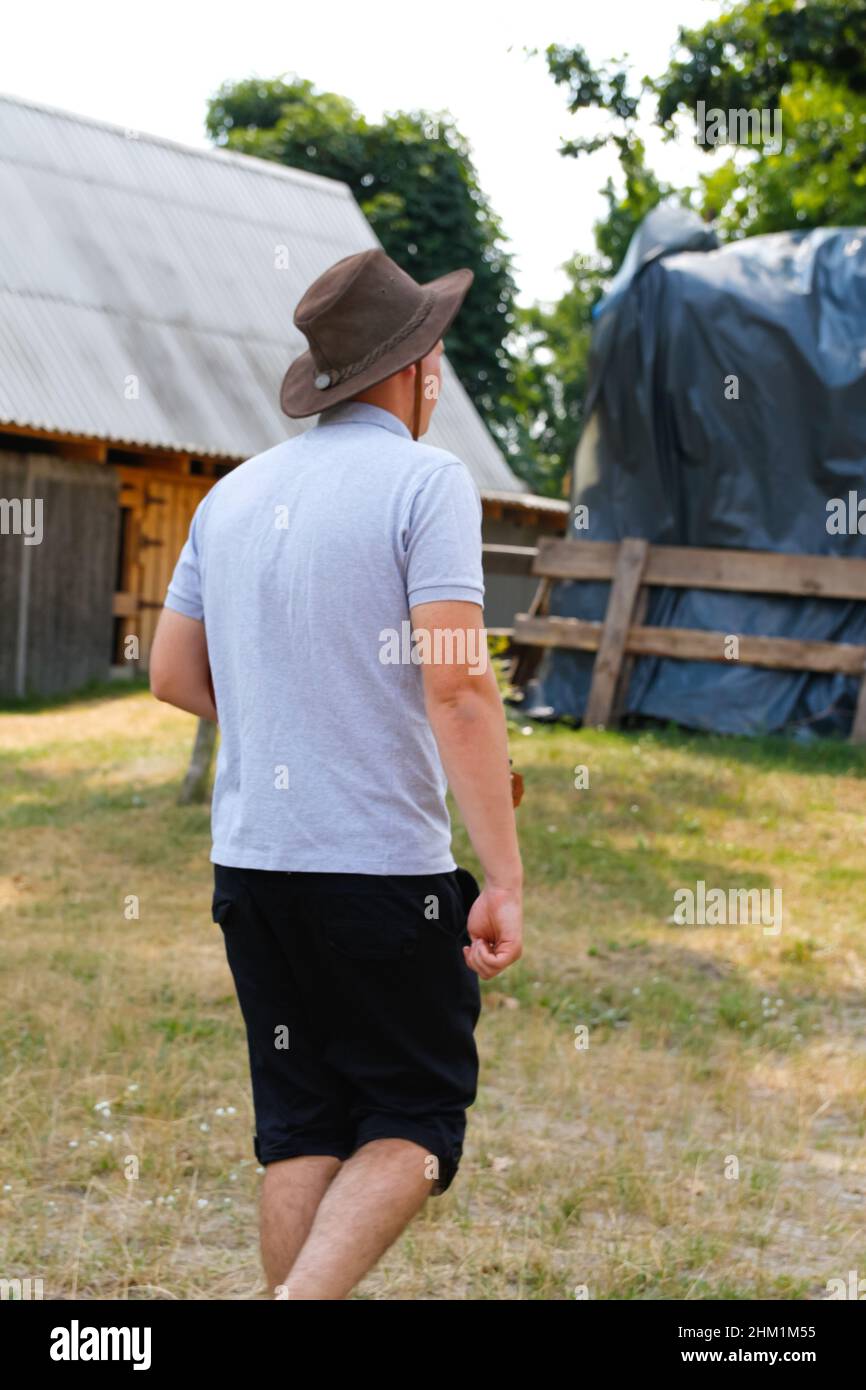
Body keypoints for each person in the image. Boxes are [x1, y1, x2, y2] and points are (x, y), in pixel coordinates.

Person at [150, 248, 523, 1300]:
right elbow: (457, 689)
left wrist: (291, 714)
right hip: (375, 872)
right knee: (413, 1114)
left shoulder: (232, 493)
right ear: (412, 364)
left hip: (253, 871)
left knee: (303, 1125)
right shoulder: (425, 481)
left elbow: (173, 673)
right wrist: (502, 876)